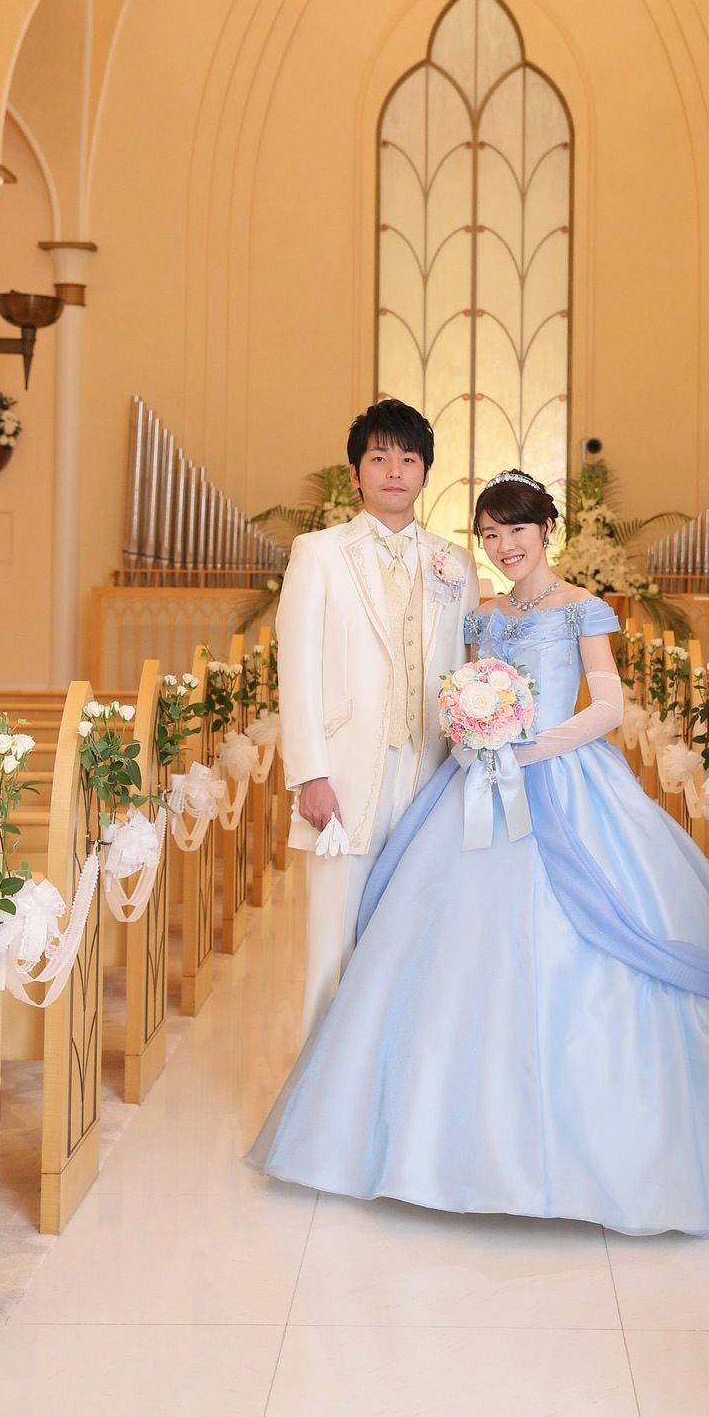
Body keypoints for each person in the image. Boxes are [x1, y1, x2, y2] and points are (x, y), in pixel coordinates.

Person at [253, 469, 709, 1241]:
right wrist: (476, 729)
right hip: (477, 782)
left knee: (596, 933)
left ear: (546, 529)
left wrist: (532, 745)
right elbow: (457, 688)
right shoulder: (484, 614)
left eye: (517, 530)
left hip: (563, 776)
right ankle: (436, 1144)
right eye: (490, 534)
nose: (504, 546)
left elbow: (610, 705)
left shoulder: (580, 607)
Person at [276, 398, 479, 1039]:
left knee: (415, 938)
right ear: (355, 473)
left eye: (409, 459)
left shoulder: (455, 563)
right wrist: (310, 774)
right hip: (344, 775)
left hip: (432, 775)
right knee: (334, 942)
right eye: (380, 458)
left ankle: (394, 1076)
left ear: (426, 474)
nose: (395, 471)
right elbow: (296, 668)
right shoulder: (319, 553)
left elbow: (468, 665)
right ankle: (320, 1085)